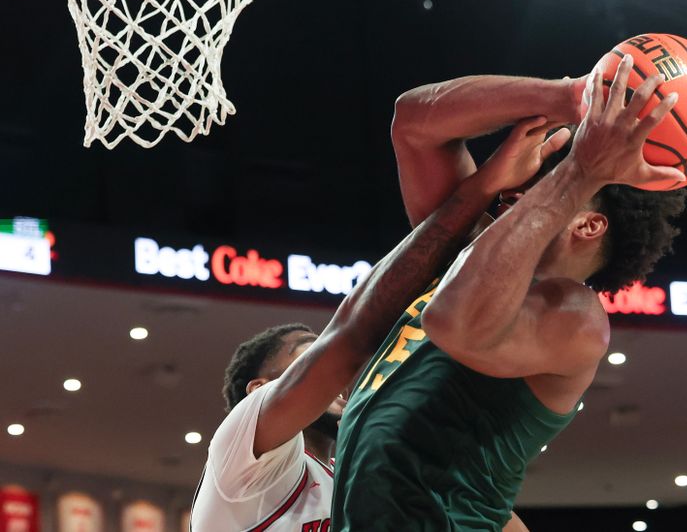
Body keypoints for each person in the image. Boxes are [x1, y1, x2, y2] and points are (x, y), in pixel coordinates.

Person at [331, 55, 687, 531]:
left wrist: (582, 171)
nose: (518, 191)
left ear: (588, 223)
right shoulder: (466, 256)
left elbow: (453, 321)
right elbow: (414, 123)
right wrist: (567, 97)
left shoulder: (576, 318)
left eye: (543, 188)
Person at [188, 101, 556, 531]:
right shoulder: (240, 459)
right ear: (260, 390)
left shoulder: (359, 482)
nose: (341, 380)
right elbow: (351, 335)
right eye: (307, 356)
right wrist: (491, 188)